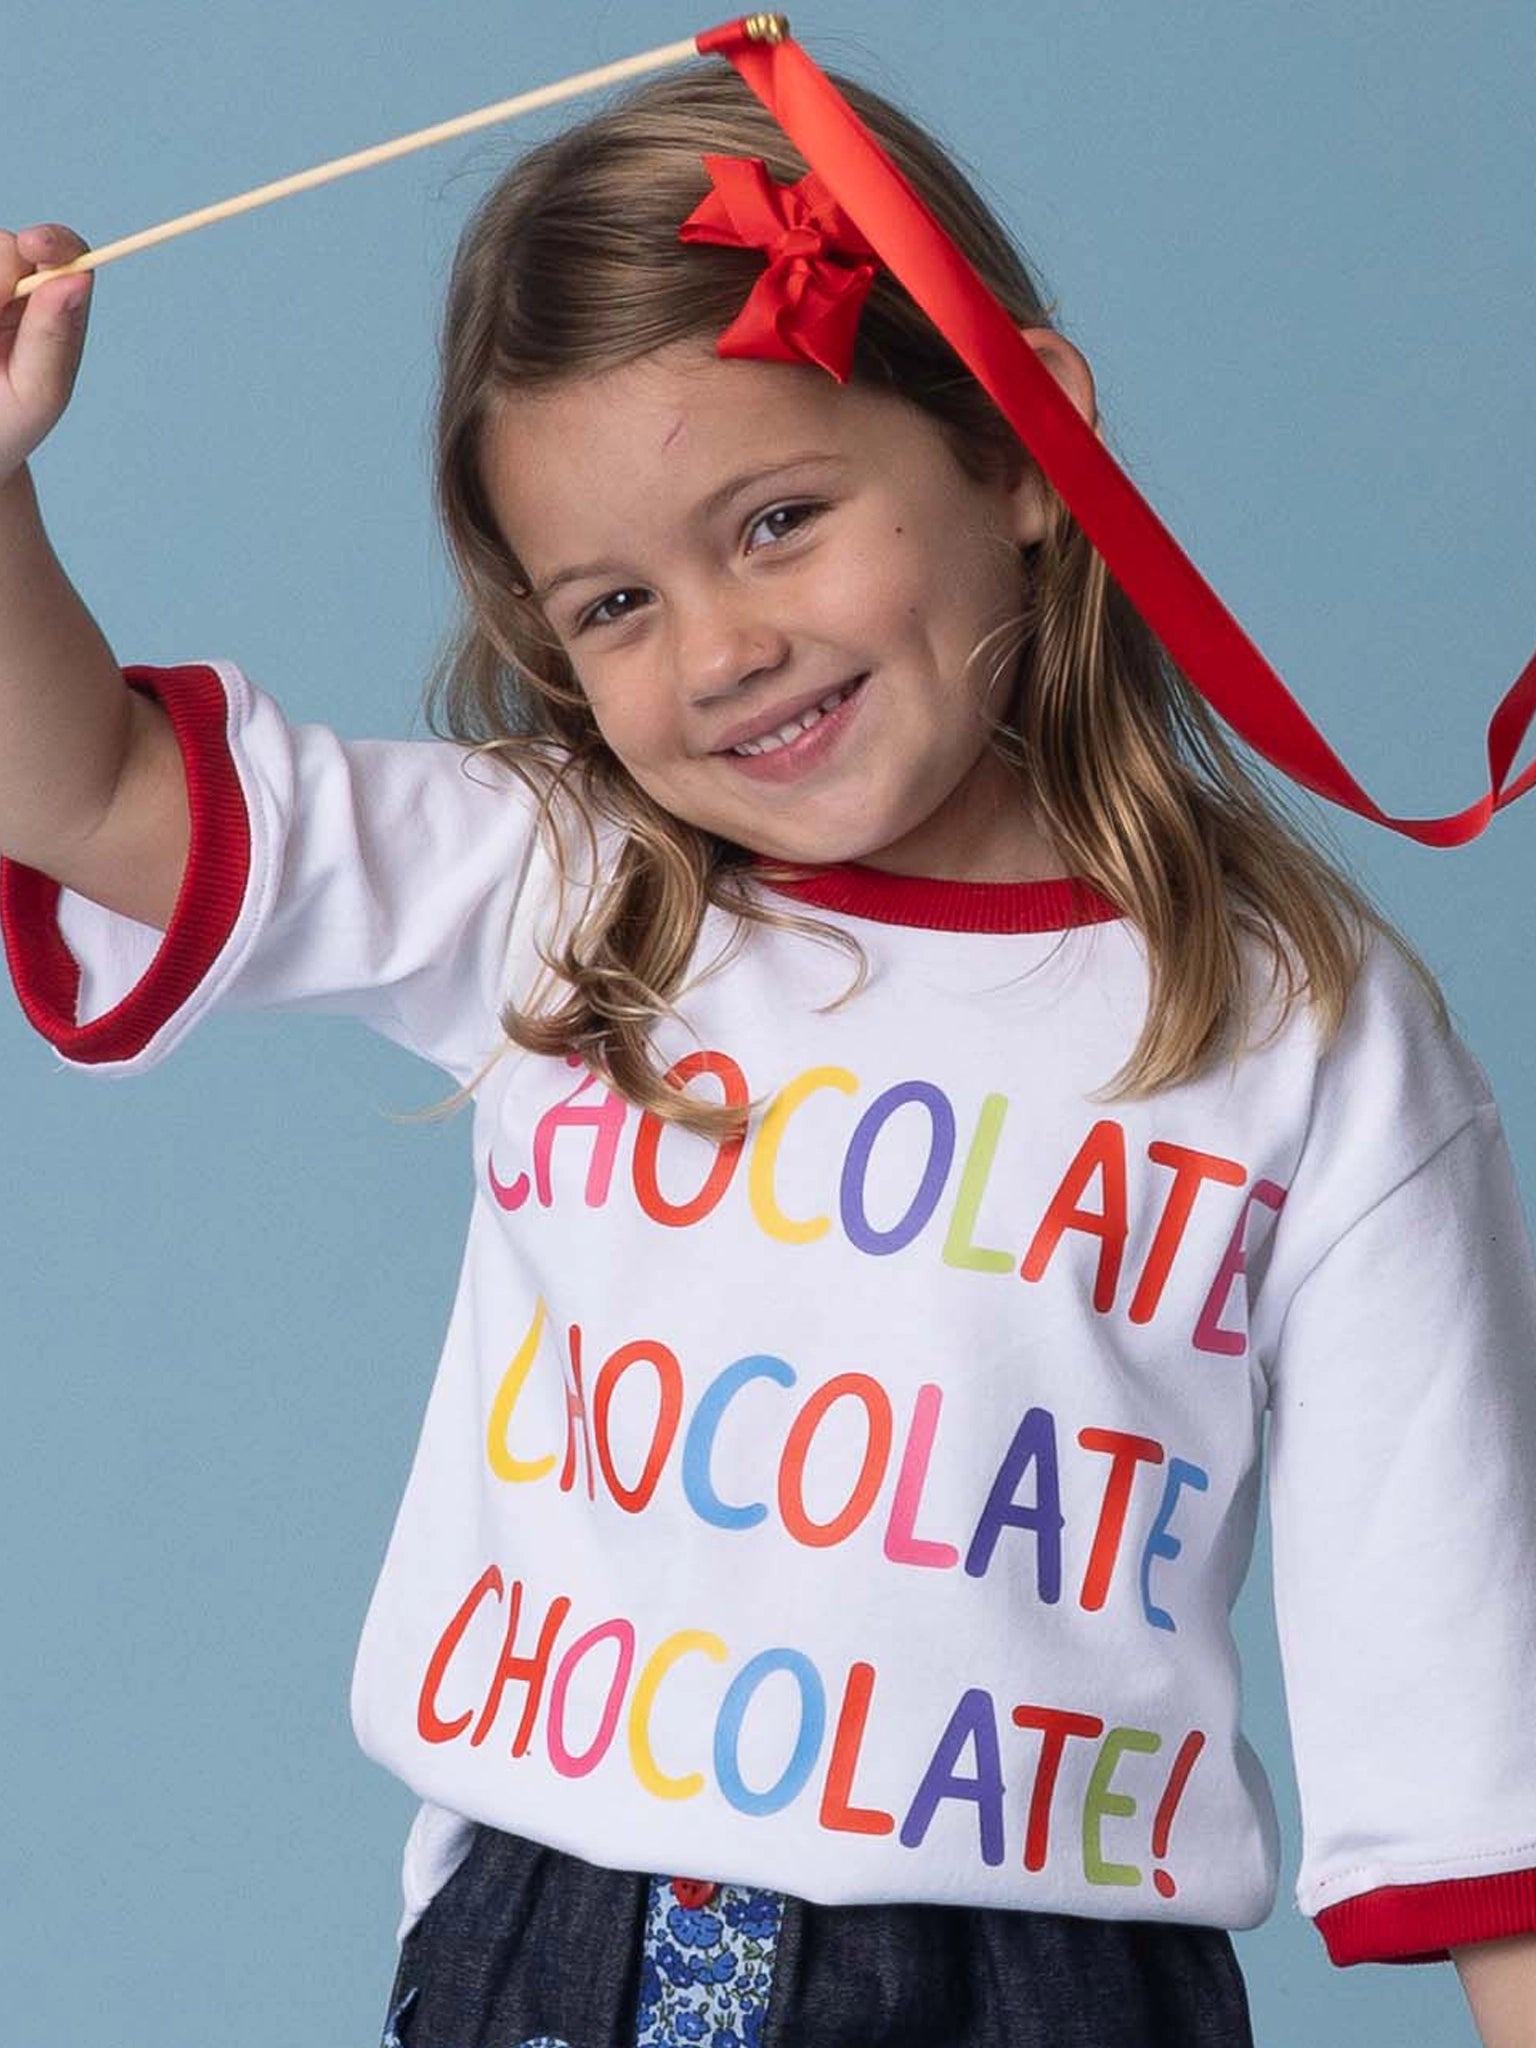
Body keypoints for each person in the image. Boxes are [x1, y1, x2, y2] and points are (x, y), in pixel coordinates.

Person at [2, 56, 1534, 2048]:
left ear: (1018, 446)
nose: (719, 648)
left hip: (1057, 1987)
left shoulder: (1304, 1038)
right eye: (618, 599)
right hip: (558, 1955)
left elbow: (1465, 1688)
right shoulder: (560, 887)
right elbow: (90, 786)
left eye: (782, 520)